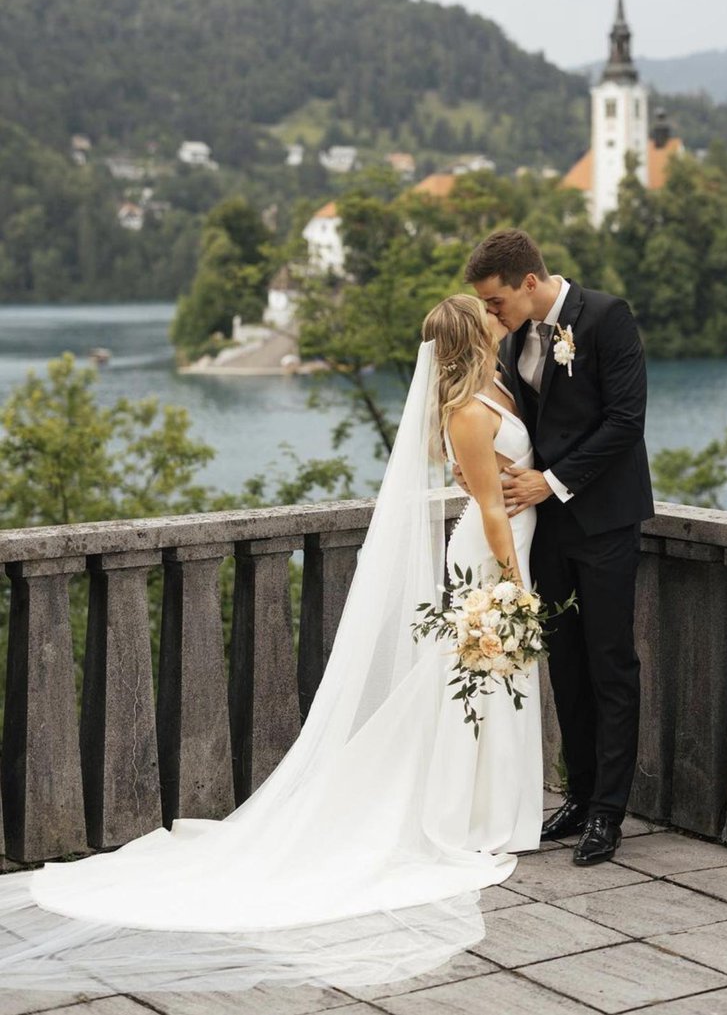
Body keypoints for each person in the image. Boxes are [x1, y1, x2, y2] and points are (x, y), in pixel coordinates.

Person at [0, 297, 541, 993]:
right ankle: (467, 813)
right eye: (484, 312)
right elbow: (490, 505)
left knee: (491, 684)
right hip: (491, 557)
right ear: (472, 335)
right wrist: (517, 583)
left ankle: (492, 806)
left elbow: (497, 479)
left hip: (507, 546)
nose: (496, 313)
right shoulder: (467, 410)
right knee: (475, 681)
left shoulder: (497, 383)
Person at [465, 229, 654, 866]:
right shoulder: (514, 337)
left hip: (603, 523)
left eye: (495, 302)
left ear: (528, 282)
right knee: (566, 664)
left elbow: (626, 421)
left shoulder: (607, 316)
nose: (491, 314)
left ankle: (609, 811)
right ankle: (577, 795)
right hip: (547, 531)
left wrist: (552, 481)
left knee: (609, 662)